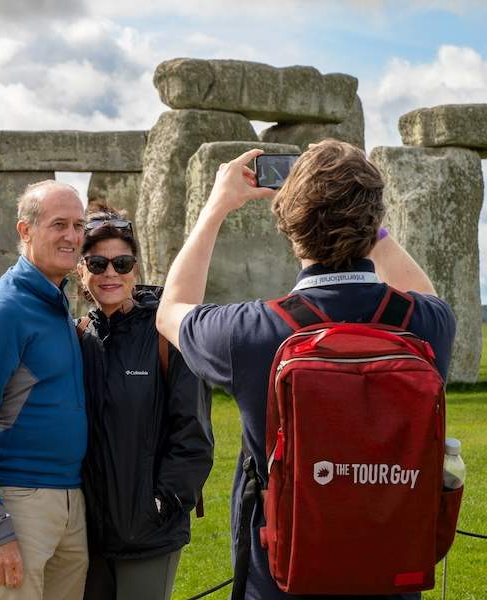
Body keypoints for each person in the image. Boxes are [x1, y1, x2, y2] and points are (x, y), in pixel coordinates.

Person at [156, 140, 456, 600]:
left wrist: (214, 209)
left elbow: (171, 309)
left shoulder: (251, 332)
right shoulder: (427, 326)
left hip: (281, 581)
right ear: (374, 219)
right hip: (388, 577)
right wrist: (369, 221)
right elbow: (426, 293)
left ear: (288, 225)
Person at [0, 180, 89, 600]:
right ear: (25, 231)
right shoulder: (5, 311)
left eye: (79, 226)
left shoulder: (55, 303)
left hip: (71, 500)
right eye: (59, 224)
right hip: (19, 501)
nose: (72, 236)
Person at [75, 206, 214, 600]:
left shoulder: (167, 335)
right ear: (81, 271)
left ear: (136, 268)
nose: (110, 274)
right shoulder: (79, 336)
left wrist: (164, 503)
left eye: (122, 262)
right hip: (85, 533)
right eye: (98, 263)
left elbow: (194, 435)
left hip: (149, 531)